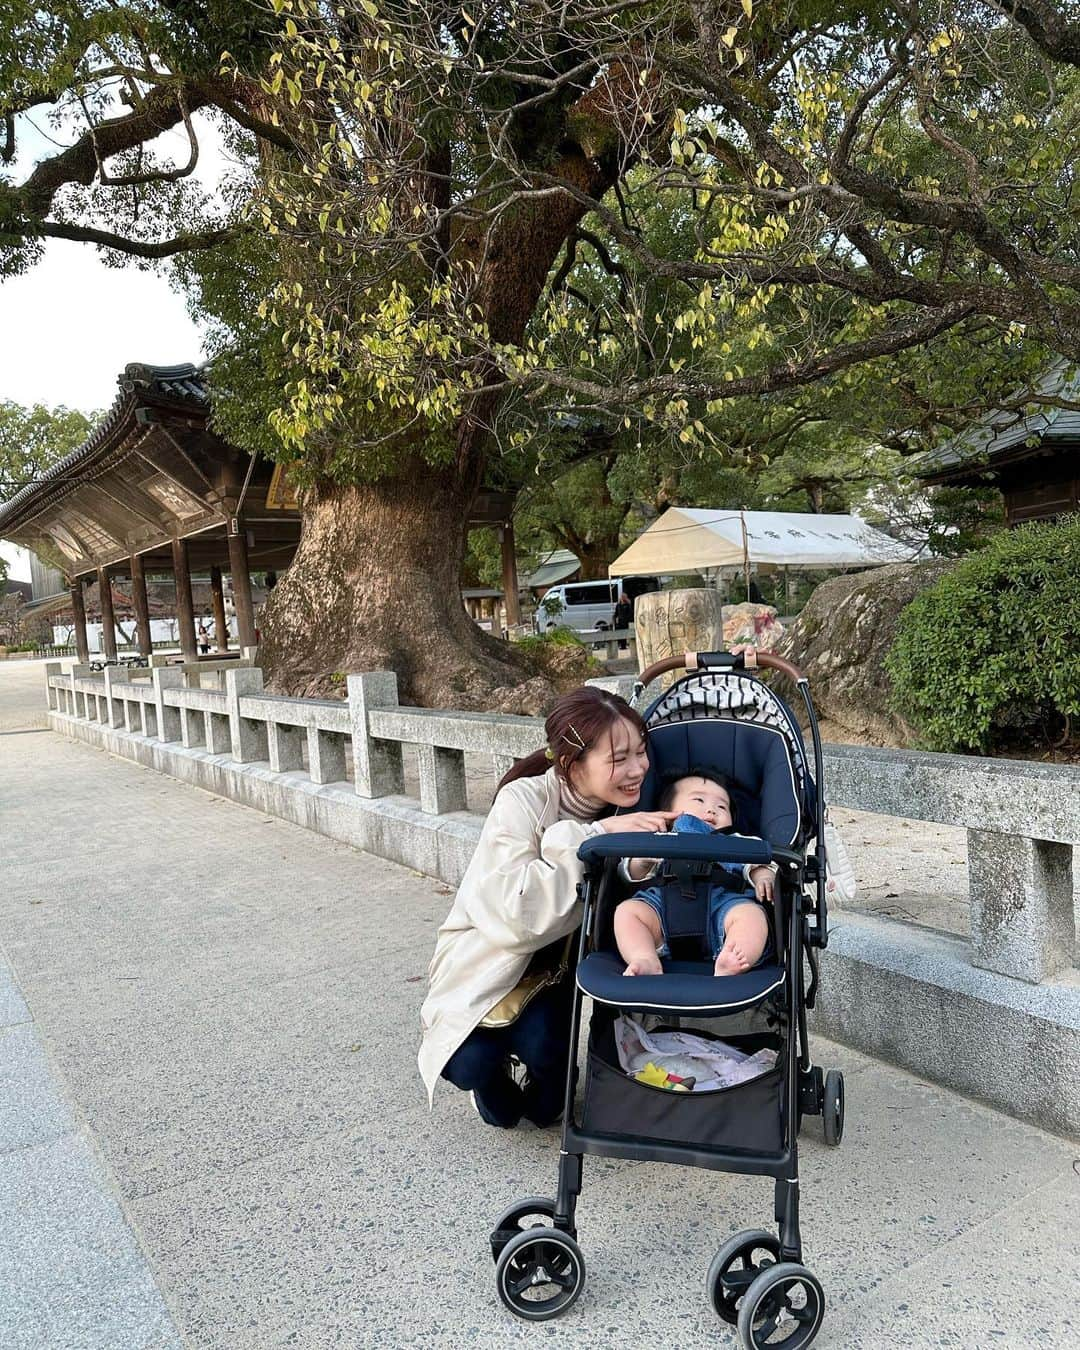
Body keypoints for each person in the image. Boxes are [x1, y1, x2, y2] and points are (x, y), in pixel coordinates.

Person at [418, 686, 675, 1128]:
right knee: (468, 1066)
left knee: (545, 1106)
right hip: (495, 958)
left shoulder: (640, 797)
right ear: (571, 764)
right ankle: (493, 1070)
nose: (637, 769)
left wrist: (636, 861)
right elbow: (519, 915)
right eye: (619, 759)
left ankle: (545, 1068)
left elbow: (627, 879)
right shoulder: (522, 801)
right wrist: (596, 835)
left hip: (562, 967)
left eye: (641, 751)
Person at [615, 769, 776, 978]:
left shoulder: (735, 841)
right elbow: (629, 874)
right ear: (668, 811)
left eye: (722, 806)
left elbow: (758, 861)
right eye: (699, 800)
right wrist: (642, 861)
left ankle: (733, 958)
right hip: (661, 908)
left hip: (722, 907)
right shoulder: (657, 838)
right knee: (627, 911)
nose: (711, 810)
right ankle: (645, 957)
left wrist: (762, 875)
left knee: (751, 916)